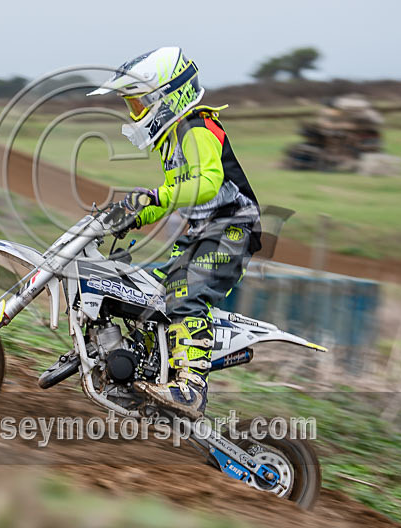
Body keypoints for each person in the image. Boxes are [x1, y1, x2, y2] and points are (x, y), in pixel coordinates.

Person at [88, 47, 262, 418]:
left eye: (137, 103)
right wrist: (131, 213)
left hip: (231, 228)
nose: (134, 112)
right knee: (146, 291)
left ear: (165, 97)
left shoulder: (196, 127)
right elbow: (173, 195)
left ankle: (190, 388)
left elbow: (207, 182)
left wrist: (156, 196)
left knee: (186, 292)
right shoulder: (172, 139)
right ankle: (151, 367)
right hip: (203, 230)